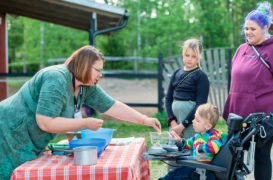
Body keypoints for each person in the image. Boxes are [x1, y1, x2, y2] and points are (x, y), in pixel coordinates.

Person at [0, 45, 161, 179]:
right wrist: (84, 123)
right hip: (6, 133)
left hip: (27, 143)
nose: (101, 74)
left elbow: (111, 105)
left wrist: (144, 119)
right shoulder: (56, 79)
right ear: (84, 66)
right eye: (98, 70)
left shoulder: (86, 86)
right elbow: (45, 121)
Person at [223, 2, 273, 180]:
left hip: (263, 118)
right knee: (234, 154)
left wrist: (269, 98)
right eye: (246, 28)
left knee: (261, 156)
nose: (248, 32)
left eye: (253, 29)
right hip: (239, 113)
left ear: (265, 28)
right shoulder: (242, 49)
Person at [159, 103, 228, 180]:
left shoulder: (213, 135)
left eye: (197, 120)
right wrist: (180, 141)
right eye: (194, 118)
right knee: (174, 172)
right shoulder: (198, 136)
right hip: (196, 166)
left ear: (208, 126)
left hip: (202, 169)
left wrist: (201, 147)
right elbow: (188, 144)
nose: (193, 121)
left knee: (178, 174)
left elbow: (216, 146)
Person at [165, 38, 209, 139]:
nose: (189, 59)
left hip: (191, 122)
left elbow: (200, 105)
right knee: (174, 148)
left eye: (193, 56)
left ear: (199, 57)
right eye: (187, 55)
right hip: (175, 123)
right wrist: (173, 122)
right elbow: (168, 99)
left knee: (190, 148)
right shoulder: (176, 73)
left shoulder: (201, 76)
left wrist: (182, 125)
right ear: (183, 54)